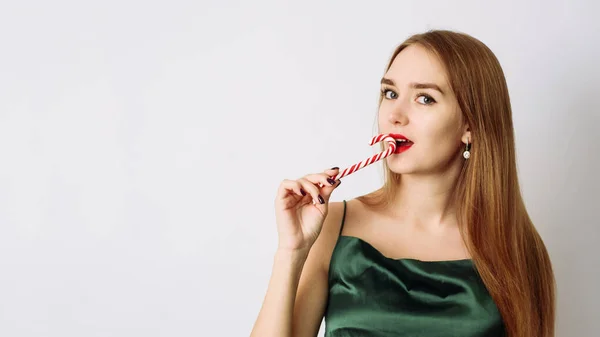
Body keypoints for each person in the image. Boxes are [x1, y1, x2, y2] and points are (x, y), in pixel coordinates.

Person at [250, 29, 556, 337]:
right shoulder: (332, 225)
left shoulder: (518, 248)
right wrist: (291, 251)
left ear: (470, 126)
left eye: (425, 98)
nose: (395, 115)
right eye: (390, 93)